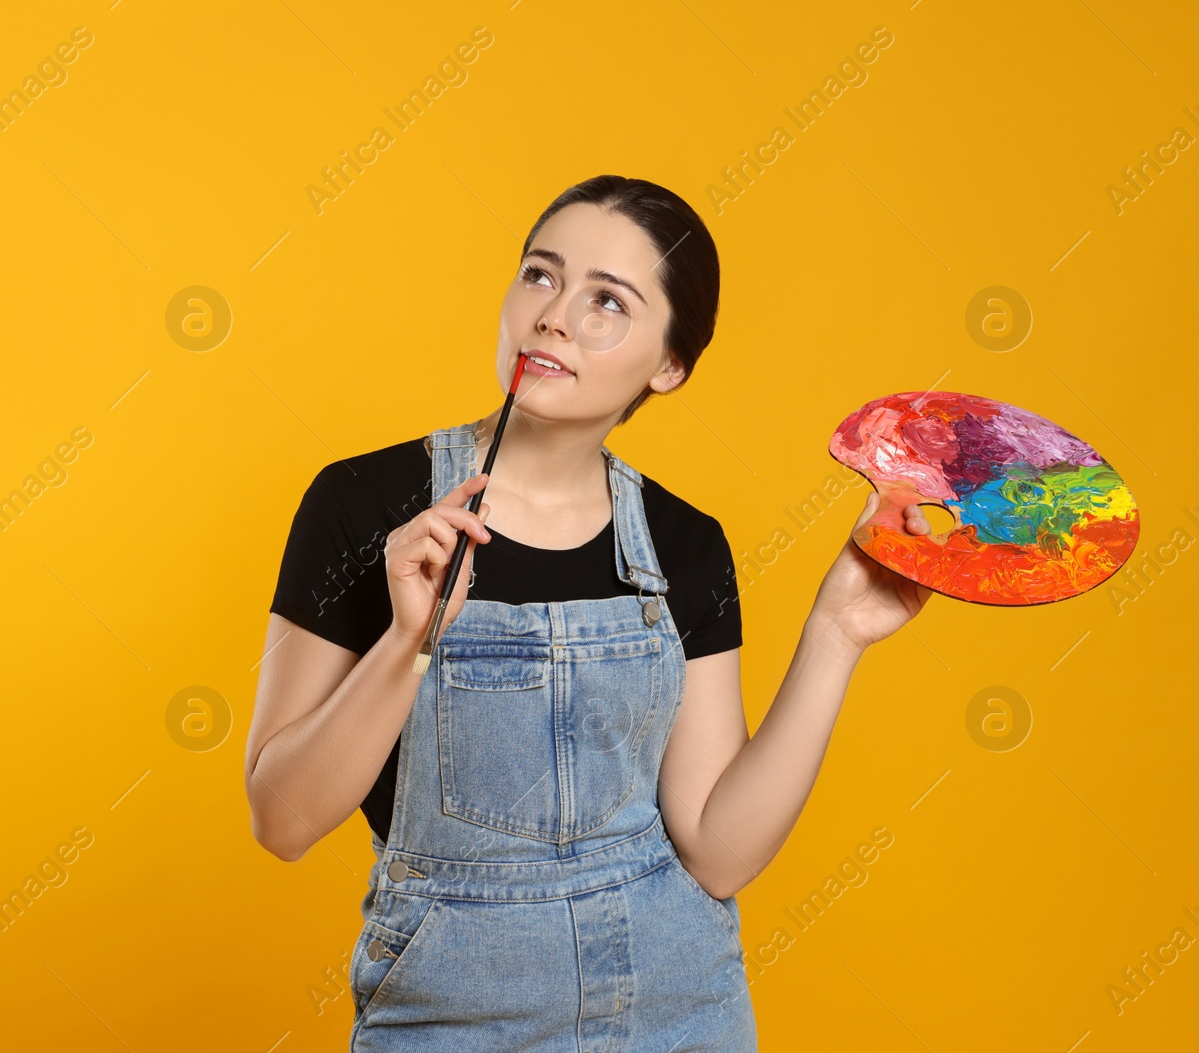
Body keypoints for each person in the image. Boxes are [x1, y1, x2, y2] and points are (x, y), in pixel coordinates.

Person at [245, 175, 933, 1051]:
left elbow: (717, 851)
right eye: (541, 274)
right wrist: (408, 640)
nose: (555, 316)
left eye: (608, 301)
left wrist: (837, 633)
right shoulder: (362, 504)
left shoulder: (686, 544)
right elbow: (283, 820)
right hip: (451, 1017)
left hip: (681, 1010)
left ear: (669, 363)